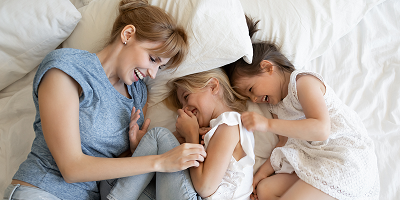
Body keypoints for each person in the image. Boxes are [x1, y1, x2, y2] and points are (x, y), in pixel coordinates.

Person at [3, 0, 208, 199]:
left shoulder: (138, 94)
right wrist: (160, 161)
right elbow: (71, 168)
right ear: (127, 34)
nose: (153, 74)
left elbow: (113, 170)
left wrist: (135, 150)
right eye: (153, 59)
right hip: (42, 191)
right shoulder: (67, 69)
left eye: (160, 67)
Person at [222, 16, 380, 200]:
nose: (255, 99)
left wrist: (266, 124)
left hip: (346, 159)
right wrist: (260, 175)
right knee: (265, 189)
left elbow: (321, 129)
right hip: (318, 161)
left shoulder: (303, 83)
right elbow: (284, 142)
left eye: (251, 89)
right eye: (249, 98)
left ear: (267, 68)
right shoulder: (277, 108)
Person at [106, 68, 256, 200]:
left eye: (186, 97)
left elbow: (205, 187)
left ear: (212, 86)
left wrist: (191, 136)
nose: (183, 110)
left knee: (159, 135)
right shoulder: (212, 130)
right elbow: (168, 160)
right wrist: (141, 147)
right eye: (182, 105)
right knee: (108, 183)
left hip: (198, 194)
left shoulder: (229, 123)